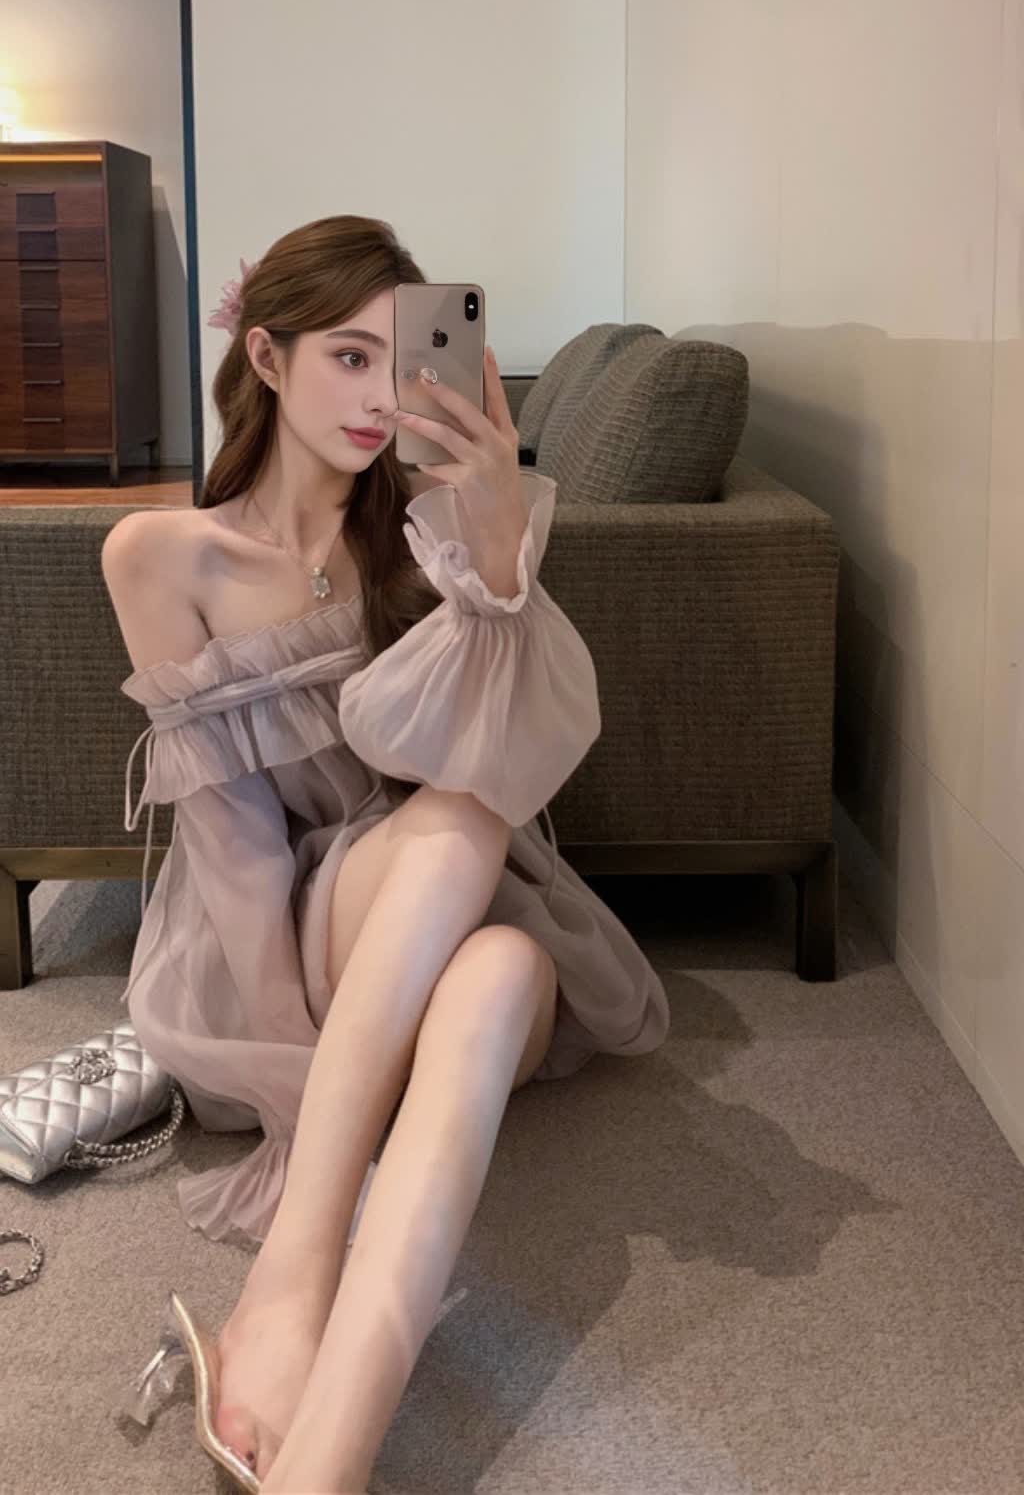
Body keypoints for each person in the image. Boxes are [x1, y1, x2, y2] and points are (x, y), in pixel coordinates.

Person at [101, 213, 670, 1493]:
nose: (377, 397)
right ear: (266, 356)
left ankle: (327, 1450)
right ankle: (300, 1268)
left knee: (502, 955)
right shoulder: (162, 557)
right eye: (346, 358)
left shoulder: (426, 528)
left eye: (398, 363)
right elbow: (235, 843)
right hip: (296, 944)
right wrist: (294, 1081)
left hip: (445, 909)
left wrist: (497, 528)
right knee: (459, 828)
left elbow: (518, 750)